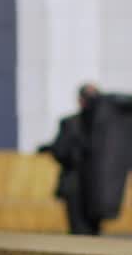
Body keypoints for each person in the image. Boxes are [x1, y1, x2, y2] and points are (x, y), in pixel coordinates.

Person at [40, 83, 102, 235]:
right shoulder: (71, 123)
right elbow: (59, 150)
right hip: (76, 183)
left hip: (95, 185)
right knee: (79, 229)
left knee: (92, 231)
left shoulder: (102, 126)